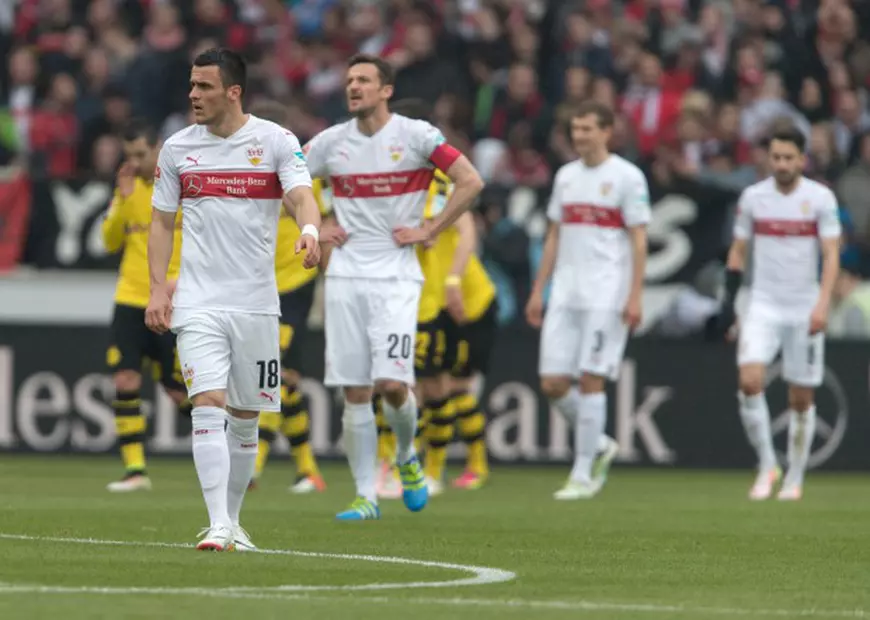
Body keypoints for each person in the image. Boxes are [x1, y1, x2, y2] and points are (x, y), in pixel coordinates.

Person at [145, 48, 321, 551]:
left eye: (203, 86)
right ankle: (217, 523)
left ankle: (236, 521)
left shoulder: (275, 141)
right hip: (198, 301)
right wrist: (160, 287)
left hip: (257, 303)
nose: (193, 95)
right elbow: (161, 222)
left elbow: (301, 194)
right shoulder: (178, 148)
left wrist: (309, 228)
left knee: (246, 418)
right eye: (192, 85)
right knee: (208, 403)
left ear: (233, 92)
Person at [304, 54, 484, 520]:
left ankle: (406, 456)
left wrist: (432, 228)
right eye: (348, 80)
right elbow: (289, 184)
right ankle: (365, 495)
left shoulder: (417, 136)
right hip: (345, 276)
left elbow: (471, 180)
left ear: (385, 90)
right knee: (355, 391)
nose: (353, 87)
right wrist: (314, 226)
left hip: (397, 276)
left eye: (363, 80)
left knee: (392, 384)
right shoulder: (328, 144)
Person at [526, 101, 648, 500]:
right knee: (553, 383)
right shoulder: (565, 176)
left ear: (607, 132)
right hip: (565, 291)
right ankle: (598, 444)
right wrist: (538, 290)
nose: (579, 136)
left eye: (587, 129)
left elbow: (638, 239)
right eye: (575, 129)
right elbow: (554, 235)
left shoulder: (628, 178)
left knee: (592, 378)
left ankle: (582, 474)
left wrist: (634, 295)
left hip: (606, 292)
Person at [717, 123, 841, 501]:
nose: (782, 164)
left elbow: (831, 254)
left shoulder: (820, 198)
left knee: (800, 399)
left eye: (789, 157)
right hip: (763, 303)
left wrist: (822, 304)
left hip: (804, 305)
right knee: (749, 381)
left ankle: (795, 478)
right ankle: (768, 463)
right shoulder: (754, 198)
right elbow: (738, 251)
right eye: (776, 157)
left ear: (802, 159)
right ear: (768, 158)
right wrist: (729, 303)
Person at [102, 119, 191, 493]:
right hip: (130, 297)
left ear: (158, 149)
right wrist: (122, 199)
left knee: (179, 392)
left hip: (174, 297)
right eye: (130, 155)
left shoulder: (181, 189)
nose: (135, 162)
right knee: (125, 379)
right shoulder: (127, 190)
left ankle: (232, 445)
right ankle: (135, 469)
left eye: (141, 154)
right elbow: (109, 242)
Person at [245, 100, 325, 495]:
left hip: (293, 285)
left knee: (269, 374)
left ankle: (252, 469)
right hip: (258, 286)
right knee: (287, 381)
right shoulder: (243, 173)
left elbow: (319, 216)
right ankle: (307, 469)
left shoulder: (299, 173)